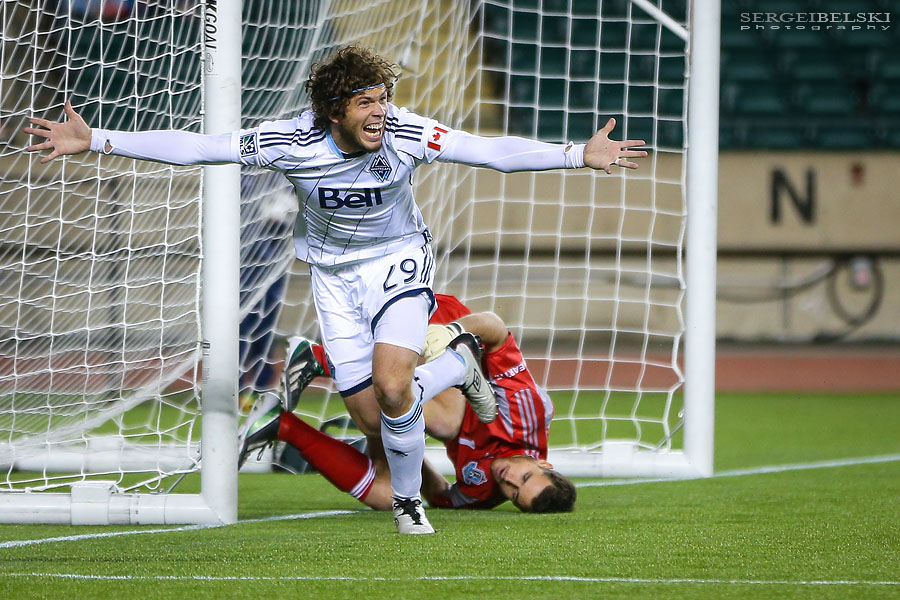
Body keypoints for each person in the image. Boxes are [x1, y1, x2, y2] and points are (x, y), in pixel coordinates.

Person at [25, 45, 643, 532]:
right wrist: (100, 140)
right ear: (332, 111)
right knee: (369, 410)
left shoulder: (405, 133)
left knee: (396, 382)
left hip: (399, 264)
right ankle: (453, 370)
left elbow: (485, 151)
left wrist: (574, 155)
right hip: (334, 277)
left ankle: (408, 504)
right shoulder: (289, 142)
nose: (380, 111)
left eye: (383, 98)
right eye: (365, 102)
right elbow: (202, 149)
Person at [239, 294, 576, 513]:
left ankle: (279, 424)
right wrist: (449, 332)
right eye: (525, 476)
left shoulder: (483, 493)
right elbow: (495, 329)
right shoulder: (529, 414)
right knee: (447, 421)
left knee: (391, 495)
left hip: (409, 394)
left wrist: (401, 449)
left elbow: (439, 495)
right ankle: (320, 358)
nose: (510, 481)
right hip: (434, 328)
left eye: (515, 494)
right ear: (543, 464)